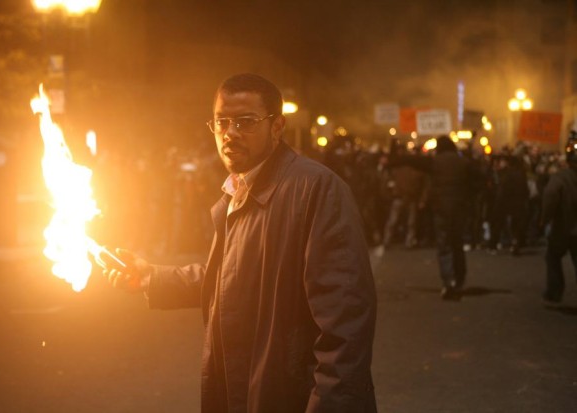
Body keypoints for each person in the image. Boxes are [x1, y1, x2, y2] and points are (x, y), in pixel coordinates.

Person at [104, 73, 377, 412]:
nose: (230, 133)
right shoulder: (238, 191)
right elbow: (233, 277)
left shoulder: (316, 190)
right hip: (247, 390)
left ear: (277, 127)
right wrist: (151, 277)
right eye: (222, 122)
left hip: (289, 395)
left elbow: (345, 326)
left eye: (246, 122)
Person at [389, 136, 477, 300]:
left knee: (444, 245)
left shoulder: (435, 162)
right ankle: (459, 279)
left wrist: (394, 149)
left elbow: (412, 161)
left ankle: (448, 281)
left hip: (441, 209)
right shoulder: (463, 162)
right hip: (459, 207)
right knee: (457, 243)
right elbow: (477, 178)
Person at [540, 132, 577, 307]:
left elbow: (550, 197)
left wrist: (544, 219)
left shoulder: (561, 178)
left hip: (564, 227)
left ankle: (555, 291)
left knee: (553, 257)